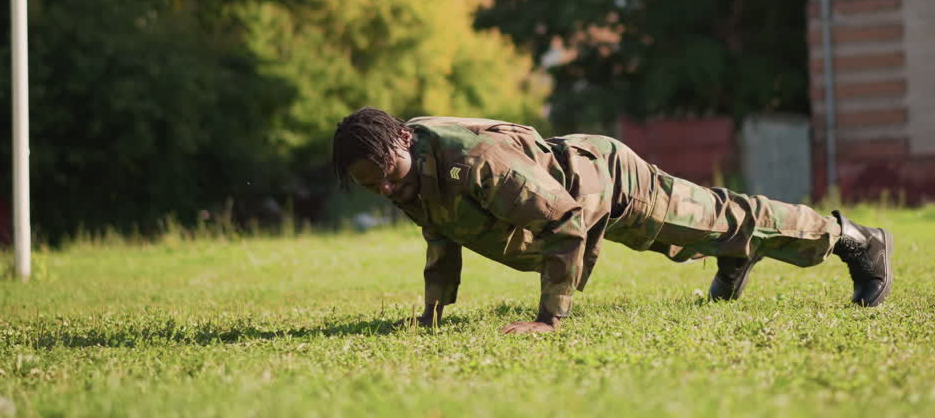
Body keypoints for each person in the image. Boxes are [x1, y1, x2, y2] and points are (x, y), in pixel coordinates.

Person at [332, 107, 893, 335]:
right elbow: (441, 233)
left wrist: (550, 320)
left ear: (402, 139)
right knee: (714, 230)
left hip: (612, 185)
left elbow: (565, 225)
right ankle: (732, 253)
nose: (386, 188)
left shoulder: (476, 162)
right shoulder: (406, 173)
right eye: (371, 185)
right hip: (584, 196)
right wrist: (431, 313)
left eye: (387, 173)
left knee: (732, 218)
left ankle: (855, 240)